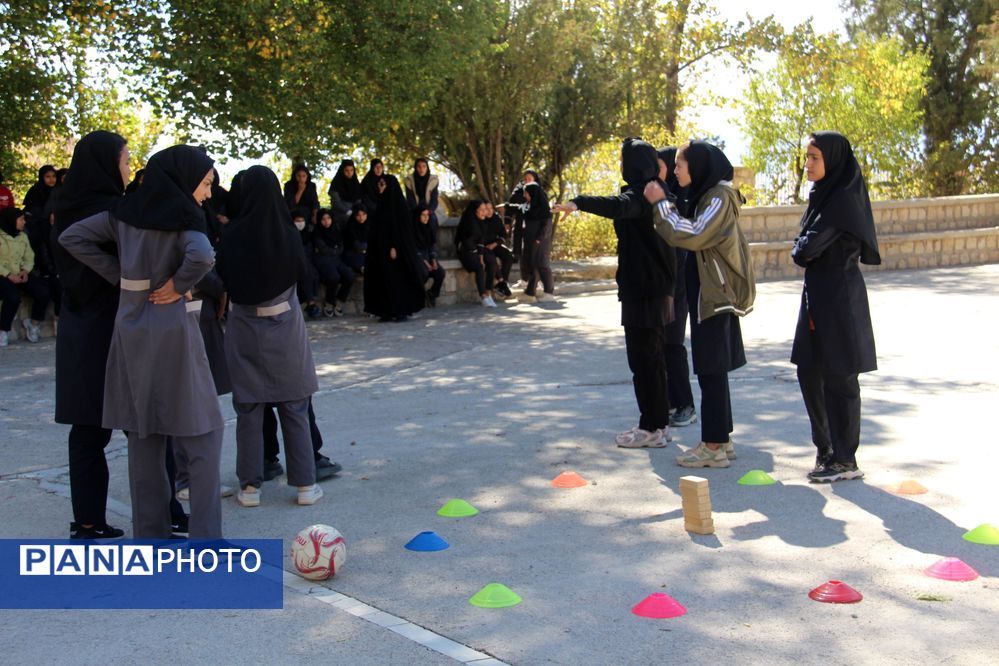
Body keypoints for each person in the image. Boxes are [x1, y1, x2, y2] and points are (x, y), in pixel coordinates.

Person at [59, 144, 225, 539]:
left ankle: (150, 536)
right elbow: (202, 256)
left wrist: (119, 275)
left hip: (130, 327)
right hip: (172, 329)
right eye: (205, 184)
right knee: (204, 431)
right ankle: (207, 538)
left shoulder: (124, 212)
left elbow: (72, 237)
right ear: (186, 180)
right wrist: (177, 284)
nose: (208, 193)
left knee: (144, 433)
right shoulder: (186, 216)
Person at [554, 138, 676, 448]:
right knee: (654, 360)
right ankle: (659, 425)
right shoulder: (659, 192)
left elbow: (618, 207)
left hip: (644, 290)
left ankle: (650, 427)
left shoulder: (642, 194)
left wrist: (579, 202)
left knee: (643, 361)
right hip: (656, 288)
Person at [644, 141, 755, 468]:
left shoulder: (719, 198)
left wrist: (661, 204)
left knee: (711, 369)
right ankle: (721, 439)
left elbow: (692, 233)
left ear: (699, 167)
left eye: (680, 165)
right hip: (709, 294)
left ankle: (714, 446)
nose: (676, 170)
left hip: (716, 296)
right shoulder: (708, 195)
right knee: (711, 370)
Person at [216, 165, 322, 507]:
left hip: (244, 329)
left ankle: (249, 488)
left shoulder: (231, 235)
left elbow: (222, 279)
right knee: (294, 405)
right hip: (285, 329)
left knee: (248, 408)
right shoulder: (287, 233)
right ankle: (305, 484)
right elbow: (303, 275)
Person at [47, 131, 129, 539]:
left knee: (87, 430)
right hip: (114, 326)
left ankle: (88, 520)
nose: (129, 169)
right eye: (125, 160)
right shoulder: (113, 212)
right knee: (144, 427)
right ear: (106, 164)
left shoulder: (62, 208)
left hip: (78, 327)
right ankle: (165, 511)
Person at [791, 132, 880, 483]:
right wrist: (803, 245)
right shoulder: (822, 197)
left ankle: (845, 459)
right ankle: (826, 449)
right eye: (807, 157)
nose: (808, 164)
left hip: (840, 297)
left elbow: (805, 250)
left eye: (815, 157)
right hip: (817, 296)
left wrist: (803, 246)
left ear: (833, 160)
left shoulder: (842, 200)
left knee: (840, 375)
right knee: (809, 370)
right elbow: (804, 246)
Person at [657, 147, 697, 428]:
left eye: (662, 165)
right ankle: (671, 401)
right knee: (661, 345)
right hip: (663, 281)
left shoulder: (683, 196)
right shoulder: (662, 194)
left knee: (673, 344)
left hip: (679, 282)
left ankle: (685, 404)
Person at [362, 171, 426, 321]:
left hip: (395, 251)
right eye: (379, 184)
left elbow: (401, 230)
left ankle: (400, 310)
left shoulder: (399, 207)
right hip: (380, 250)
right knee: (383, 280)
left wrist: (394, 246)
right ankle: (385, 311)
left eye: (383, 184)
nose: (380, 187)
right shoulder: (380, 205)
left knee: (397, 280)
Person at [0, 208, 51, 346]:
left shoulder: (22, 236)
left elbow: (29, 256)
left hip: (19, 273)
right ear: (11, 220)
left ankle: (33, 324)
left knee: (43, 292)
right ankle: (3, 330)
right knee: (12, 297)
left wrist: (25, 270)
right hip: (3, 274)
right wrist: (9, 275)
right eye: (21, 219)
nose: (24, 222)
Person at [313, 205, 355, 316]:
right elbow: (323, 249)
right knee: (333, 277)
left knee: (349, 275)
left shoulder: (336, 230)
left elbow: (341, 247)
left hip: (336, 259)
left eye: (328, 218)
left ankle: (340, 301)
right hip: (323, 260)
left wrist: (334, 250)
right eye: (323, 219)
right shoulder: (317, 232)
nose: (326, 221)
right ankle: (329, 303)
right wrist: (335, 249)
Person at [455, 200, 498, 308]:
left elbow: (480, 242)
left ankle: (488, 292)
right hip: (465, 252)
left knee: (491, 262)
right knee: (479, 267)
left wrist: (481, 257)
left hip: (474, 251)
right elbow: (467, 243)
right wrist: (478, 258)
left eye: (485, 210)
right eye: (482, 210)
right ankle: (483, 296)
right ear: (475, 211)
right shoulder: (468, 223)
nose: (485, 212)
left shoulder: (482, 222)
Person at [519, 180, 555, 303]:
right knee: (533, 266)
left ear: (533, 194)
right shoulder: (530, 208)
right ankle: (530, 293)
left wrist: (539, 239)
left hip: (540, 242)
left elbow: (546, 226)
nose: (525, 196)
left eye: (526, 193)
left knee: (543, 265)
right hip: (530, 241)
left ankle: (549, 292)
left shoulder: (545, 209)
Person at [412, 205, 445, 307]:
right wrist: (426, 263)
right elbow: (414, 249)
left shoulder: (428, 228)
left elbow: (431, 246)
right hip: (417, 258)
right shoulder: (412, 230)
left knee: (440, 272)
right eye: (423, 215)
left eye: (427, 215)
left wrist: (433, 261)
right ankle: (417, 296)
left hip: (428, 257)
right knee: (423, 273)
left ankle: (432, 294)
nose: (426, 217)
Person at [482, 201, 514, 299]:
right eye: (486, 209)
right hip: (483, 247)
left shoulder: (496, 218)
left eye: (491, 208)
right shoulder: (479, 219)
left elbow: (503, 235)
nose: (489, 211)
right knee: (492, 259)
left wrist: (495, 244)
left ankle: (501, 285)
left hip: (494, 245)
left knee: (508, 256)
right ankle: (502, 284)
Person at [343, 202, 369, 275]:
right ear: (354, 215)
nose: (361, 218)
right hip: (352, 253)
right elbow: (356, 246)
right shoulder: (350, 226)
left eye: (364, 214)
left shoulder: (368, 225)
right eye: (358, 215)